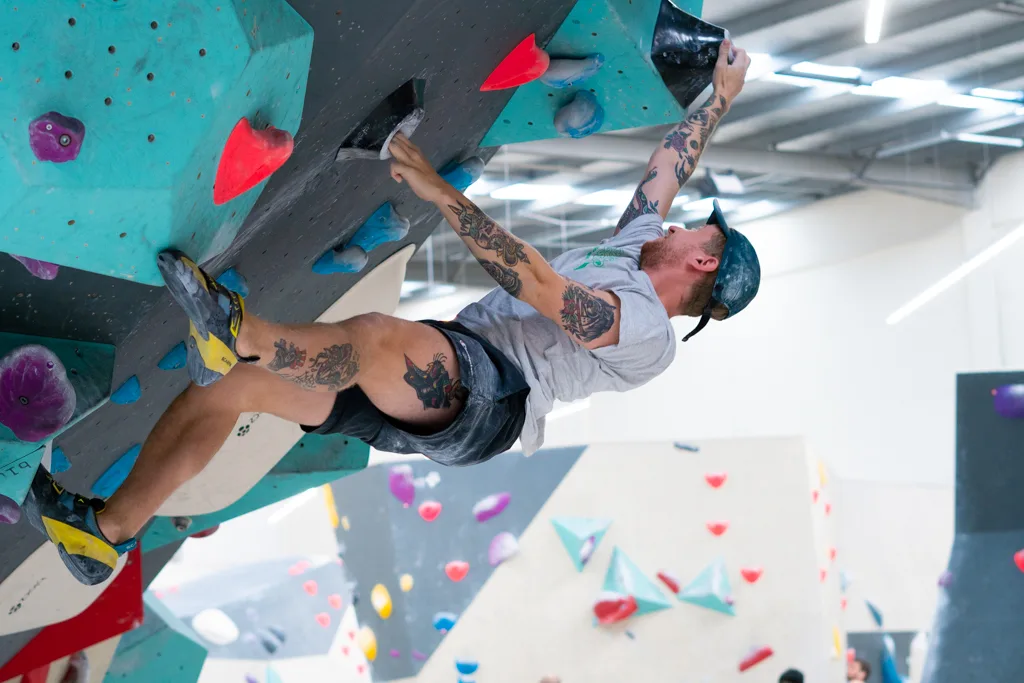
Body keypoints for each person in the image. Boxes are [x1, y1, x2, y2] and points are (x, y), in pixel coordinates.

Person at [23, 41, 759, 586]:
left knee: (372, 337)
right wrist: (718, 98)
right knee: (228, 391)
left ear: (702, 261)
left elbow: (539, 286)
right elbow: (669, 166)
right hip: (459, 359)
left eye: (698, 230)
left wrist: (438, 189)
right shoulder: (635, 245)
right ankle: (105, 532)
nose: (679, 221)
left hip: (494, 399)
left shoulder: (649, 335)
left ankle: (239, 333)